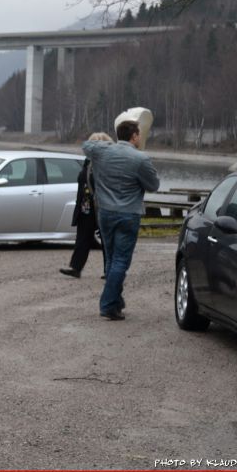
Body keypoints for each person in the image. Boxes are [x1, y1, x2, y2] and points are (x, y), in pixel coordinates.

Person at [83, 119, 160, 321]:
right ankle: (108, 304)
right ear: (134, 136)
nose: (140, 137)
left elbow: (86, 145)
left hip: (106, 213)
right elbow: (153, 186)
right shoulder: (140, 159)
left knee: (111, 258)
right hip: (128, 214)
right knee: (120, 260)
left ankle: (115, 302)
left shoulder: (102, 152)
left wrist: (110, 145)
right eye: (139, 134)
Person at [60, 132, 112, 279]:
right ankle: (76, 268)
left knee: (107, 240)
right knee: (82, 238)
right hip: (86, 207)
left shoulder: (107, 163)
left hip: (102, 207)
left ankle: (109, 270)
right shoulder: (88, 161)